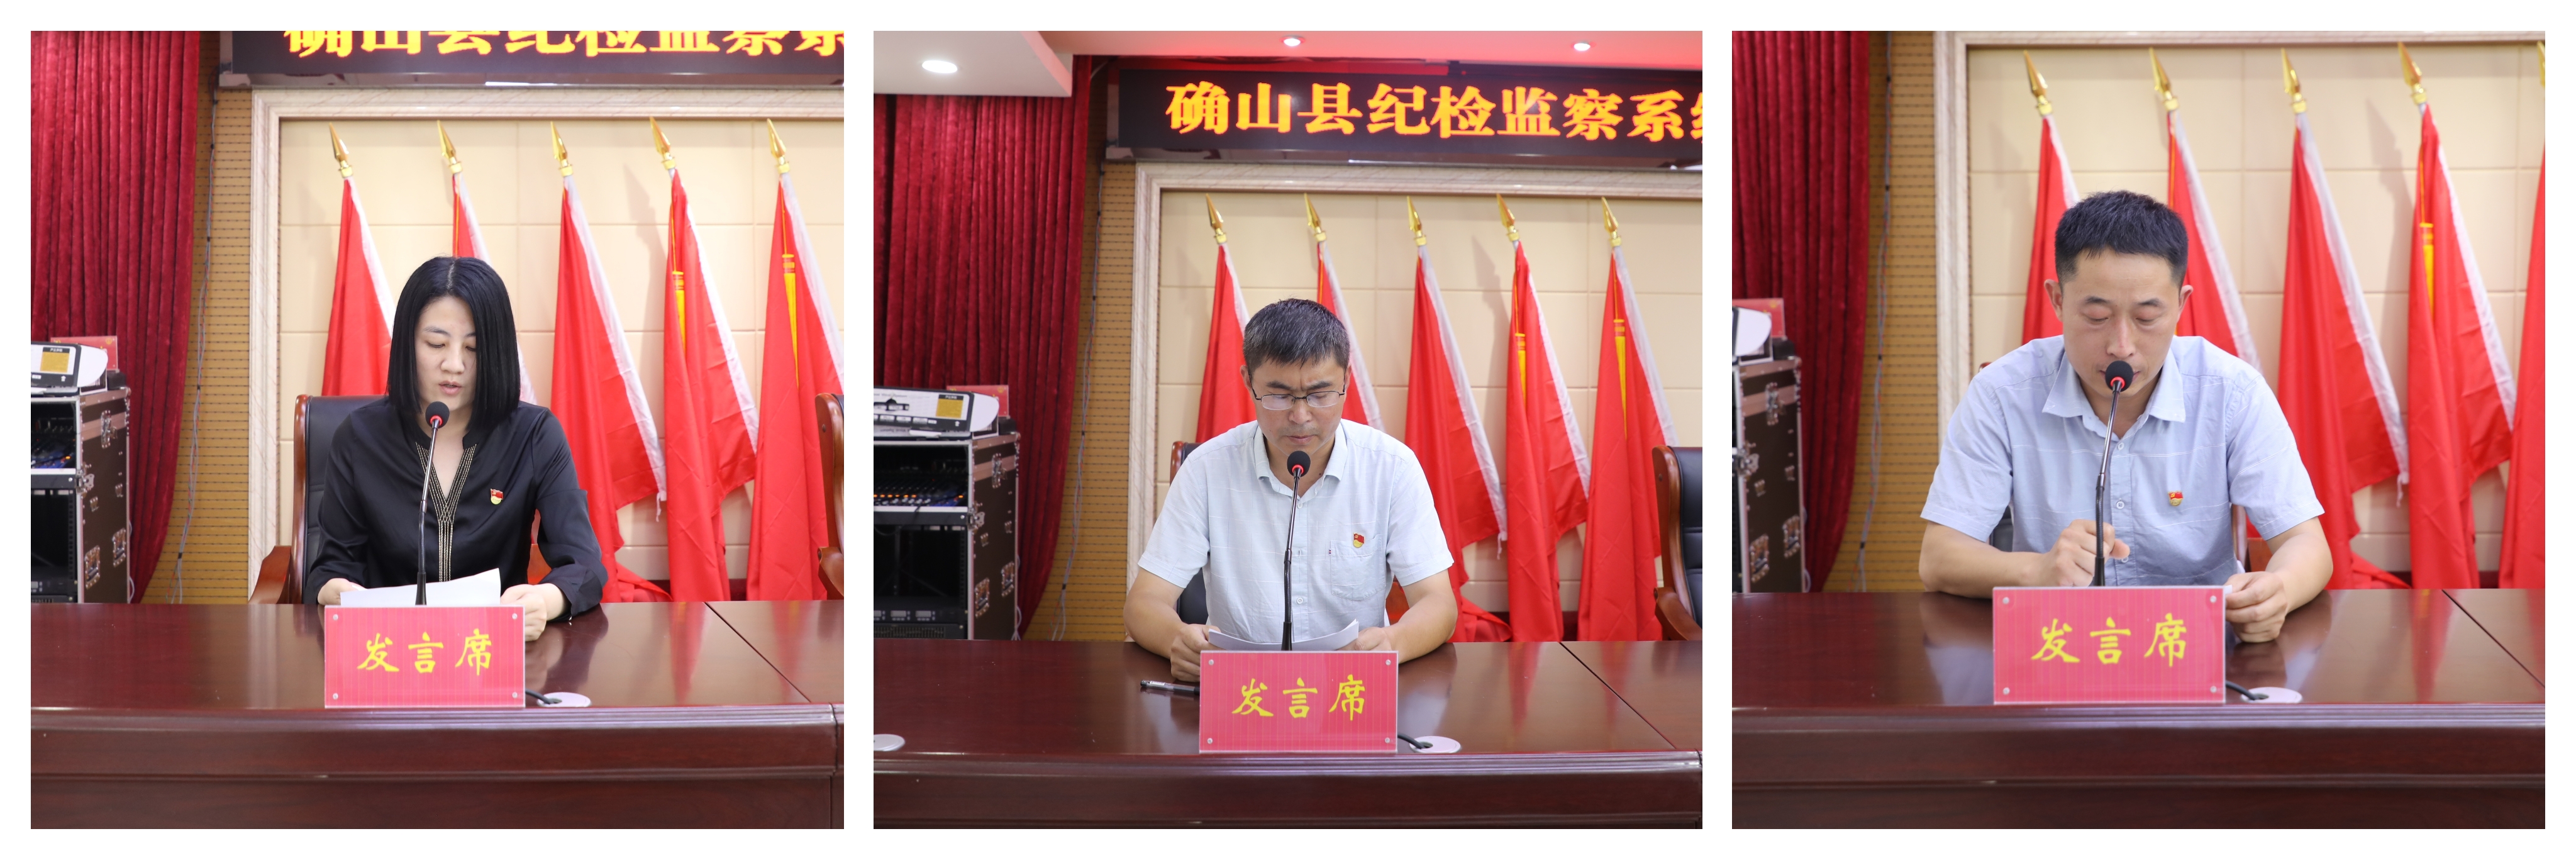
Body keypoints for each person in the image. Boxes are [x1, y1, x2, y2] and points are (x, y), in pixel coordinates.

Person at [1917, 191, 2330, 642]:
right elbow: (1940, 558)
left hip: (2194, 647)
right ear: (2058, 300)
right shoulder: (2002, 393)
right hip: (2060, 648)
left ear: (2181, 304)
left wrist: (2278, 591)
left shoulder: (2232, 392)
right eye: (2097, 316)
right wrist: (2036, 570)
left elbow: (2305, 542)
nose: (2121, 346)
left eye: (2147, 317)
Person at [1126, 299, 1458, 681]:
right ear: (1248, 381)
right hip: (1241, 690)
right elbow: (1144, 603)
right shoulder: (1206, 469)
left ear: (1347, 381)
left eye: (1320, 394)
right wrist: (1178, 640)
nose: (1300, 417)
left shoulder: (1392, 468)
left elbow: (1438, 602)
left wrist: (1392, 643)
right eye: (1279, 395)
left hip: (1350, 690)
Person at [306, 257, 608, 642]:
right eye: (436, 344)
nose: (454, 365)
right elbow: (331, 566)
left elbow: (584, 564)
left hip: (491, 650)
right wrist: (333, 589)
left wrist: (545, 601)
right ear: (407, 344)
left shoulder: (534, 435)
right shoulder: (359, 437)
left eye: (474, 348)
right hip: (390, 650)